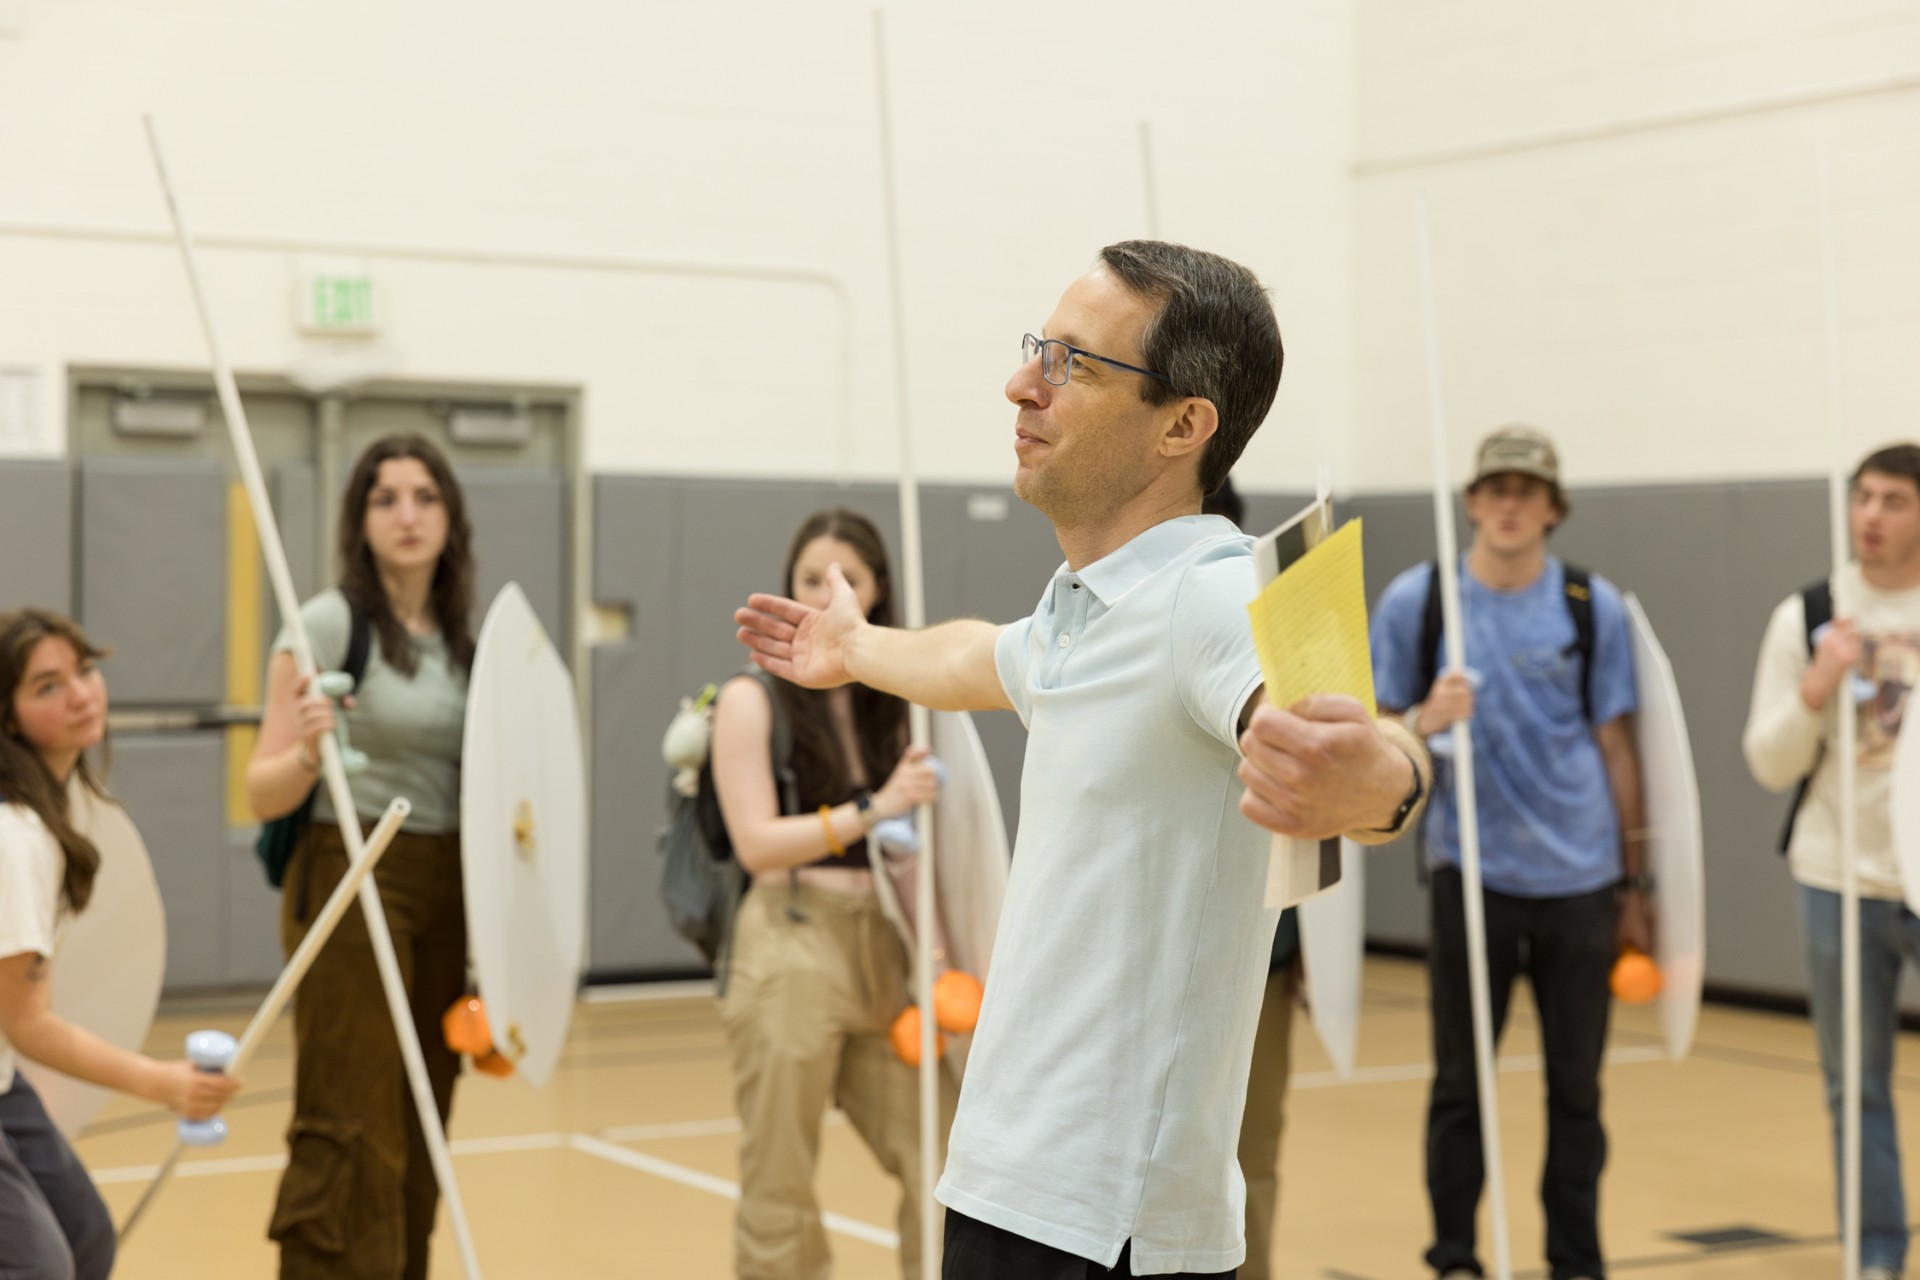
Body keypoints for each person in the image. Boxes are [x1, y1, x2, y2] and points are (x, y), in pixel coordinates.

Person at [736, 240, 1429, 1279]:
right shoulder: (1085, 610)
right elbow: (977, 653)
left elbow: (1359, 743)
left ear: (1184, 425)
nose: (1024, 384)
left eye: (1074, 364)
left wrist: (1387, 775)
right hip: (1005, 1185)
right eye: (1036, 351)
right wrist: (857, 647)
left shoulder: (1210, 597)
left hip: (1106, 1227)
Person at [1369, 425, 1647, 1280]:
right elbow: (1375, 732)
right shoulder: (1420, 604)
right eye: (1496, 489)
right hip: (1471, 872)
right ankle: (1454, 1253)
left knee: (1577, 1089)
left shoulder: (1590, 606)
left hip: (1581, 879)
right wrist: (1422, 721)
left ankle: (1575, 1258)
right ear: (1470, 502)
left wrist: (1637, 881)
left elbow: (1617, 746)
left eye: (1528, 491)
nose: (1510, 504)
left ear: (1554, 508)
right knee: (1462, 1085)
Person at [247, 434, 475, 1280]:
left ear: (451, 517)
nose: (408, 515)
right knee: (350, 1117)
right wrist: (308, 752)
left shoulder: (462, 639)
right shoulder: (327, 624)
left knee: (421, 1113)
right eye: (386, 498)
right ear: (360, 518)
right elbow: (260, 791)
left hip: (444, 883)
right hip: (351, 867)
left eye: (425, 496)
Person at [710, 507, 950, 1280]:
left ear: (877, 591)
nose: (826, 592)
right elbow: (755, 842)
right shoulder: (753, 700)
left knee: (941, 1164)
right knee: (779, 1181)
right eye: (811, 577)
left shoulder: (901, 697)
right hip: (790, 938)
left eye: (846, 577)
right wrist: (875, 807)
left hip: (885, 945)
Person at [0, 606, 243, 1280]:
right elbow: (27, 1023)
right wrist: (164, 1083)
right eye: (47, 686)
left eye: (84, 670)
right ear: (9, 717)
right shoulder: (14, 836)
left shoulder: (46, 815)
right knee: (40, 1266)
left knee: (83, 1238)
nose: (81, 694)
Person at [1744, 443, 1920, 1280]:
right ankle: (1876, 1256)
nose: (1872, 517)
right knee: (1856, 1085)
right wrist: (1817, 685)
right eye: (1862, 498)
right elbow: (1768, 762)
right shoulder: (1810, 613)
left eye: (1893, 501)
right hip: (1836, 879)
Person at [1207, 476, 1305, 1280]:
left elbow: (1317, 799)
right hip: (1144, 968)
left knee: (1251, 1150)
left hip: (1259, 960)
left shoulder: (1278, 636)